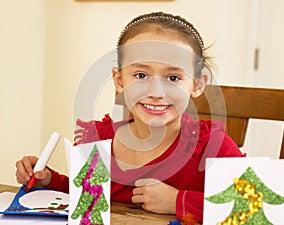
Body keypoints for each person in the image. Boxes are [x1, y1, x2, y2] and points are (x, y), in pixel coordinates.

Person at [15, 11, 245, 222]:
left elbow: (258, 210)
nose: (156, 92)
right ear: (119, 81)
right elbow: (89, 198)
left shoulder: (211, 145)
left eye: (173, 78)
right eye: (141, 75)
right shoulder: (98, 140)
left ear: (197, 84)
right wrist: (50, 181)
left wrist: (178, 201)